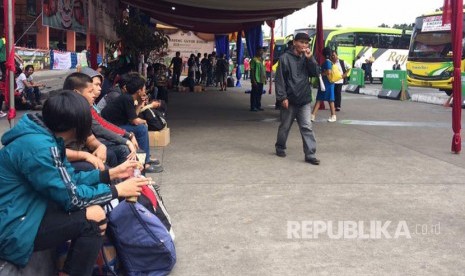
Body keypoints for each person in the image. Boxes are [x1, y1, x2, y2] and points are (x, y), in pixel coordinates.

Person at [0, 91, 149, 275]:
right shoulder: (40, 149)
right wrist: (117, 189)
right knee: (93, 219)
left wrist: (110, 174)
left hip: (28, 210)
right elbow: (73, 198)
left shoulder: (42, 138)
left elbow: (69, 179)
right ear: (75, 126)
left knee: (92, 210)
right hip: (14, 228)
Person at [101, 72, 162, 173]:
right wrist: (144, 121)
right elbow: (135, 121)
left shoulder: (129, 97)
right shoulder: (127, 98)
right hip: (111, 127)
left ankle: (144, 157)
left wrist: (140, 104)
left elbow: (134, 116)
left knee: (140, 127)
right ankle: (145, 163)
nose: (145, 90)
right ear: (139, 91)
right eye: (144, 88)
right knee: (141, 128)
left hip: (117, 125)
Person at [274, 32, 320, 165]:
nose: (304, 45)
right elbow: (280, 79)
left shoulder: (307, 57)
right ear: (294, 42)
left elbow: (315, 73)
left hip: (304, 99)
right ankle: (280, 147)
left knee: (307, 127)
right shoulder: (284, 58)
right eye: (302, 42)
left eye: (306, 43)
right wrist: (282, 97)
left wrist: (310, 59)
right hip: (289, 99)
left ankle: (310, 154)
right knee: (285, 126)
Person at [311, 46, 337, 122]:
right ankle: (313, 115)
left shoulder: (327, 62)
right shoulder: (330, 62)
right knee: (326, 99)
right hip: (328, 83)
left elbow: (328, 72)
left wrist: (321, 74)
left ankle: (313, 115)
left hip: (326, 83)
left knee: (324, 99)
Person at [250, 46, 266, 111]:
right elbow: (252, 71)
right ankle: (253, 106)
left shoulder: (262, 60)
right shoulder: (254, 60)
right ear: (257, 51)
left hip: (261, 80)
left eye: (262, 51)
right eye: (260, 50)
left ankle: (258, 106)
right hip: (256, 79)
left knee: (259, 93)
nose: (262, 52)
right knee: (254, 94)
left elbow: (263, 69)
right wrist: (253, 80)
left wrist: (264, 78)